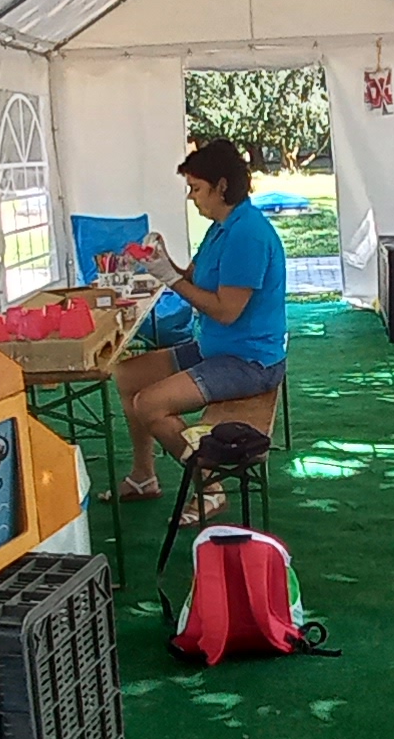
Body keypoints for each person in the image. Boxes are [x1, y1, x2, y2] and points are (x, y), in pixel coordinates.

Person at [113, 139, 287, 521]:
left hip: (249, 361)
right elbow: (191, 277)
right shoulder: (222, 227)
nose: (191, 197)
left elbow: (226, 311)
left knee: (150, 403)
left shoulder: (247, 235)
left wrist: (170, 279)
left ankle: (209, 488)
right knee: (127, 375)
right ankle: (144, 477)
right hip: (217, 347)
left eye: (195, 188)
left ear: (221, 186)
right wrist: (162, 261)